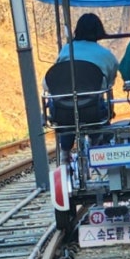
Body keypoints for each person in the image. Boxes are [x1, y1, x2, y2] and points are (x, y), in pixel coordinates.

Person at [52, 13, 119, 163]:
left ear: (77, 30)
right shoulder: (106, 55)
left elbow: (52, 80)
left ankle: (65, 152)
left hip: (65, 108)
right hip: (92, 109)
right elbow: (109, 82)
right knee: (97, 113)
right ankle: (98, 142)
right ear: (99, 30)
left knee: (68, 117)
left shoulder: (66, 51)